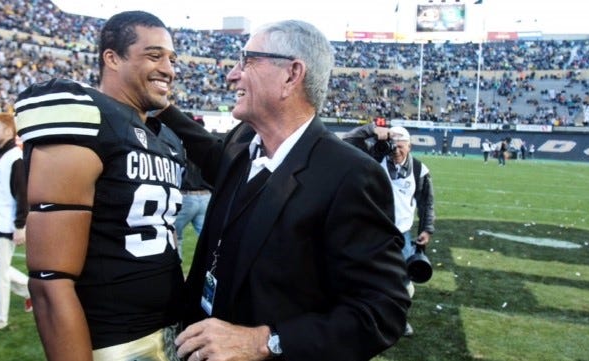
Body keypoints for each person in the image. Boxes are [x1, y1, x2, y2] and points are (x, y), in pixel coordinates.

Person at [157, 20, 410, 361]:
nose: (233, 75)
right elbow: (215, 157)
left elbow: (381, 312)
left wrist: (266, 341)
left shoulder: (349, 175)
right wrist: (162, 108)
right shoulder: (242, 140)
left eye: (247, 61)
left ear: (291, 75)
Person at [14, 11, 185, 360]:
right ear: (112, 57)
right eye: (154, 55)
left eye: (171, 58)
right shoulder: (84, 115)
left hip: (172, 330)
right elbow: (50, 280)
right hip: (115, 341)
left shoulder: (168, 139)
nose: (168, 68)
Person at [342, 123, 435, 337]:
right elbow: (348, 142)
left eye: (401, 146)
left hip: (401, 234)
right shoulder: (375, 159)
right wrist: (373, 129)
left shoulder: (420, 170)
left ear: (410, 146)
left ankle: (398, 319)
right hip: (371, 231)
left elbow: (426, 203)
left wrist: (427, 229)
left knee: (402, 281)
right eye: (393, 145)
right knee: (362, 276)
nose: (396, 150)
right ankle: (361, 317)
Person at [0, 112, 31, 333]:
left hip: (3, 225)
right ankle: (30, 290)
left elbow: (23, 196)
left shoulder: (15, 158)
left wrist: (20, 226)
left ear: (7, 131)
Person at [174, 114, 212, 260]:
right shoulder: (210, 147)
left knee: (175, 236)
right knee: (210, 239)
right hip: (206, 197)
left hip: (187, 197)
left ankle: (176, 277)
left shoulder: (180, 146)